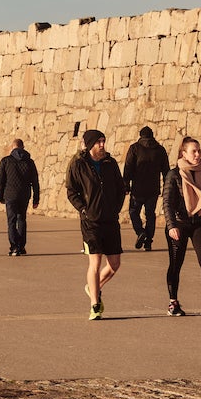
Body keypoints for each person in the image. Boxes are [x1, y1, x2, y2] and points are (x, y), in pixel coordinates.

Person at [66, 128, 127, 319]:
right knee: (95, 262)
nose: (102, 145)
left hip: (110, 220)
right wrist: (84, 210)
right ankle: (94, 304)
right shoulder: (78, 164)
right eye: (99, 142)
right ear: (90, 144)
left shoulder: (110, 163)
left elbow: (120, 187)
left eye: (103, 141)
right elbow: (71, 190)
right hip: (90, 221)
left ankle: (93, 287)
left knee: (115, 263)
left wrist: (115, 208)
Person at [163, 136, 201, 318]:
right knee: (176, 264)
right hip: (179, 223)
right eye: (194, 151)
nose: (198, 154)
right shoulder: (174, 174)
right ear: (184, 154)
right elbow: (167, 202)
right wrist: (171, 225)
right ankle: (173, 302)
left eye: (199, 151)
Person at [122, 126, 169, 252]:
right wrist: (167, 187)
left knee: (133, 212)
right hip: (153, 189)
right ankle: (148, 241)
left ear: (141, 135)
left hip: (138, 189)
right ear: (152, 135)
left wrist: (126, 185)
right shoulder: (160, 150)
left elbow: (128, 167)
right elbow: (166, 170)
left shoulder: (135, 148)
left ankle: (140, 231)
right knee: (150, 215)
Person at [0, 138, 39, 256]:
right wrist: (36, 199)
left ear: (12, 147)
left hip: (10, 195)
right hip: (24, 195)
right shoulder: (30, 162)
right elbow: (35, 181)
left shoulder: (5, 161)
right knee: (22, 219)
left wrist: (0, 195)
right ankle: (21, 246)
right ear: (23, 147)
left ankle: (14, 246)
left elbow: (0, 180)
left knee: (11, 221)